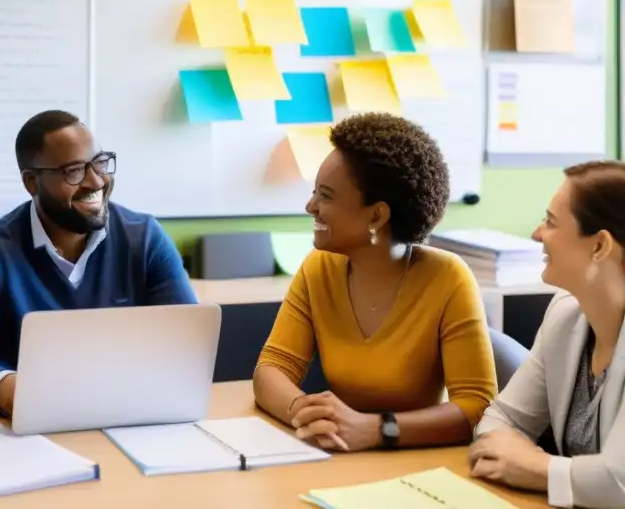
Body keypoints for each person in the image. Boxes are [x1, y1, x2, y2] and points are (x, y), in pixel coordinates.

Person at [253, 112, 497, 452]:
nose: (311, 206)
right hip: (341, 456)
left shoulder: (448, 279)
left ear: (376, 216)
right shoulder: (317, 268)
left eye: (326, 196)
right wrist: (303, 412)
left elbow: (476, 408)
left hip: (418, 465)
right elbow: (271, 370)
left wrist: (375, 429)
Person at [0, 110, 197, 414]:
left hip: (127, 413)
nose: (96, 181)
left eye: (99, 163)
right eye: (74, 171)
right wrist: (16, 393)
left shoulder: (145, 238)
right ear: (32, 182)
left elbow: (188, 342)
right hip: (27, 429)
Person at [470, 161, 625, 509]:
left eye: (552, 222)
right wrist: (519, 458)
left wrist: (535, 467)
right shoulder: (565, 314)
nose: (537, 233)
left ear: (600, 246)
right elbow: (501, 420)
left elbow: (619, 482)